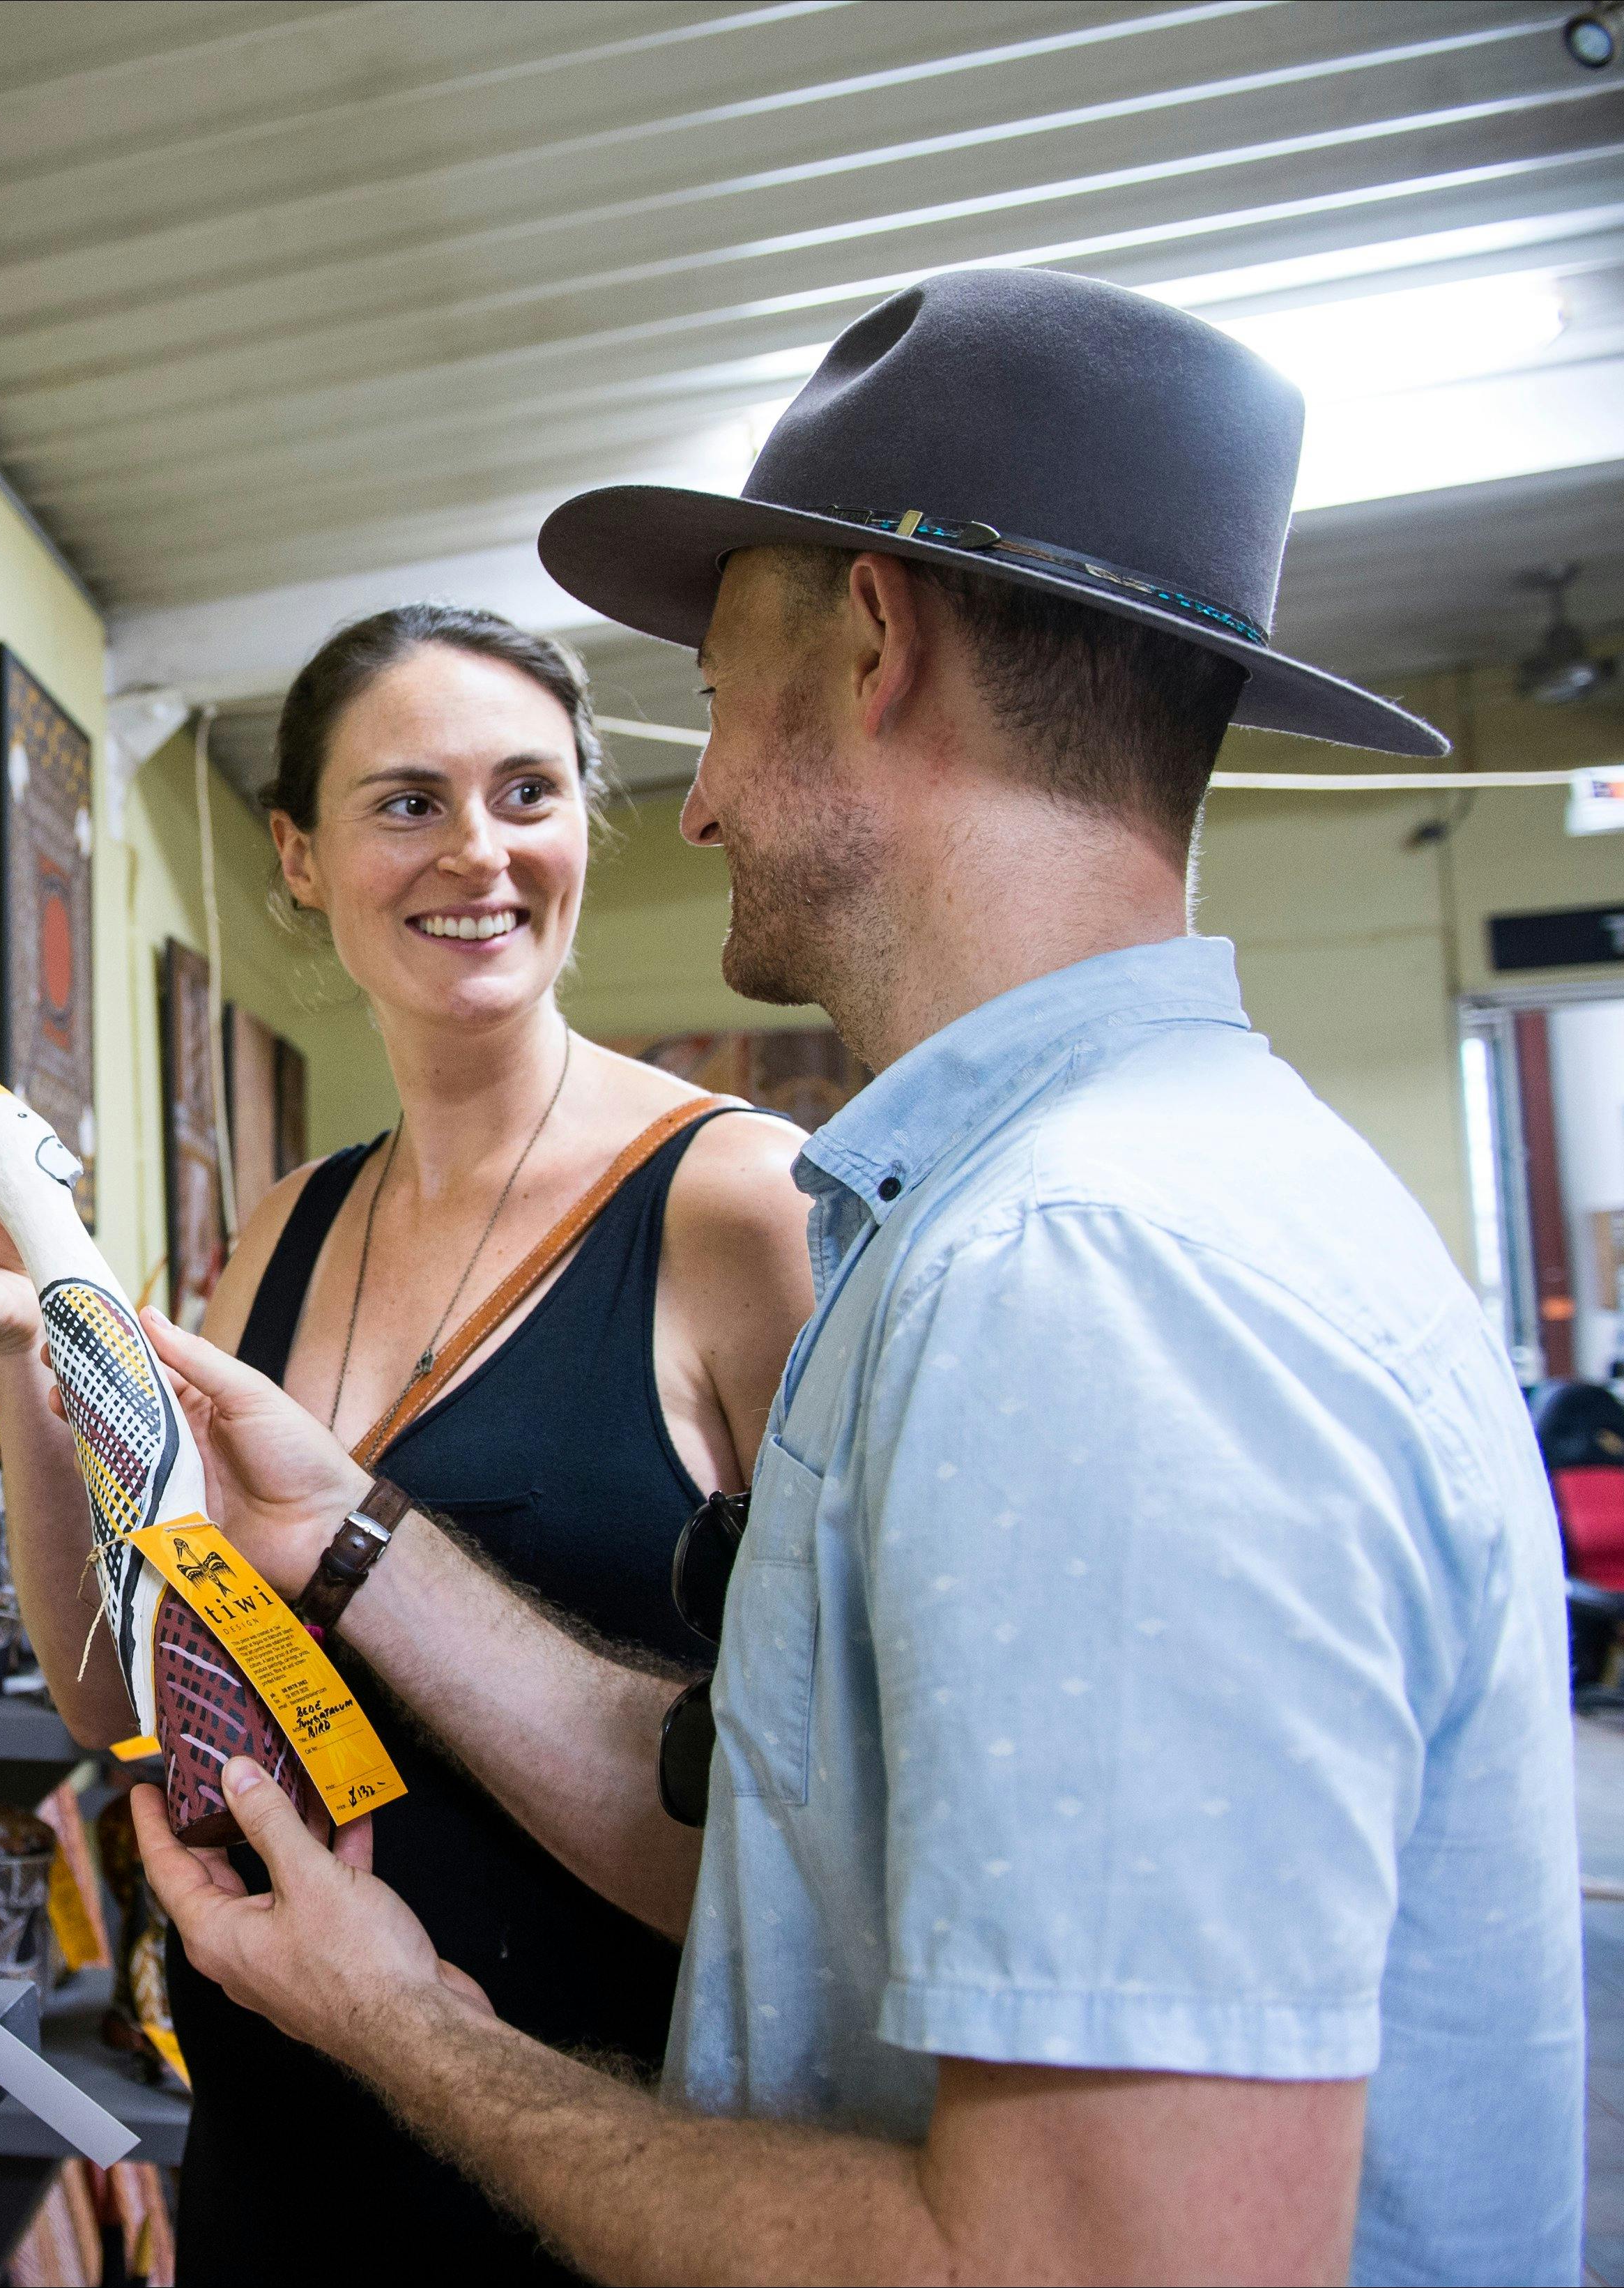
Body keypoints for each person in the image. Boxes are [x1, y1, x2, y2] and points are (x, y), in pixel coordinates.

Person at [121, 267, 1581, 2285]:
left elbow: (1083, 2264)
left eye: (717, 691)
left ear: (875, 642)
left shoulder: (1097, 1285)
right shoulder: (1035, 1218)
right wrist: (348, 1525)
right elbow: (799, 1852)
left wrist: (411, 2029)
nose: (702, 793)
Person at [0, 605, 817, 2279]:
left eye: (529, 792)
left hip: (597, 2190)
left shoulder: (739, 1210)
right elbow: (121, 1694)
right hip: (279, 2165)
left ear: (589, 818)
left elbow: (817, 1850)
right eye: (408, 802)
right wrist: (19, 1348)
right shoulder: (286, 1227)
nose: (482, 853)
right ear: (297, 855)